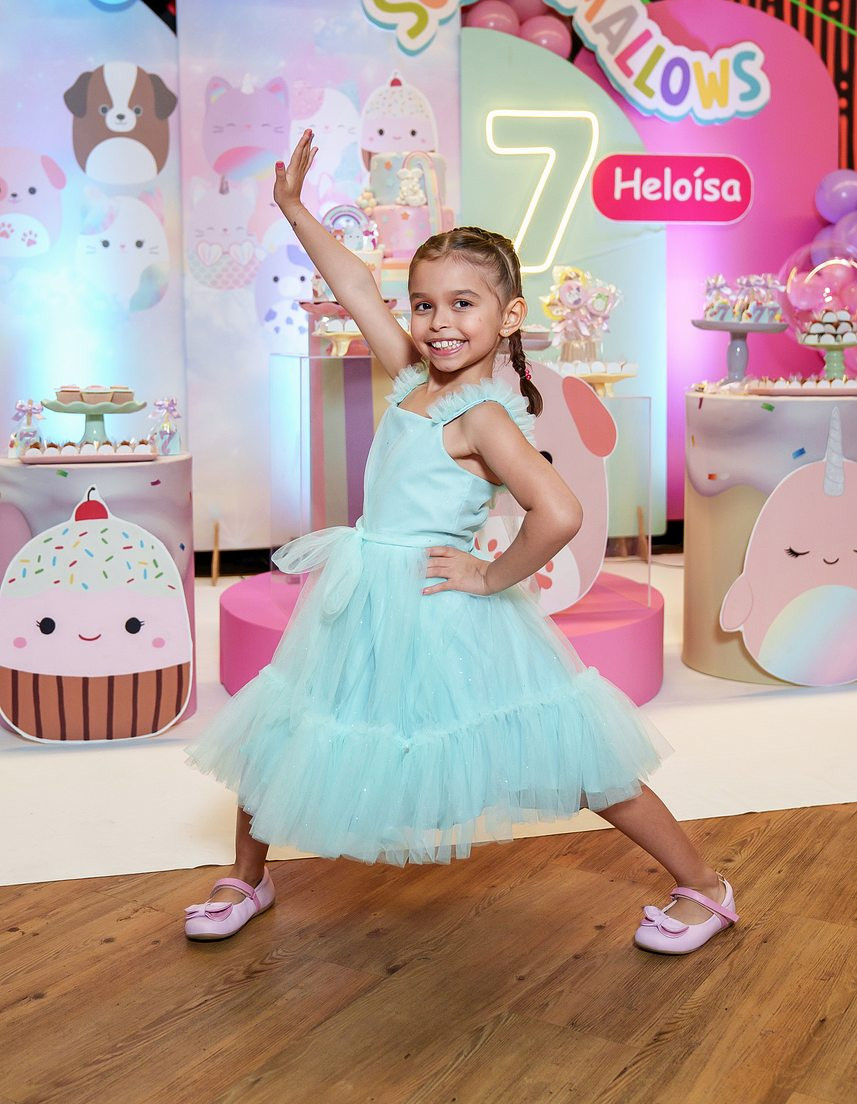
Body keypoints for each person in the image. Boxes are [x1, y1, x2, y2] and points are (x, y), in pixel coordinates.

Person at [183, 130, 739, 954]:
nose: (438, 322)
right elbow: (354, 285)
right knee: (286, 726)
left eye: (462, 304)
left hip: (436, 605)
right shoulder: (413, 378)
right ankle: (247, 875)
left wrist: (488, 576)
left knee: (568, 755)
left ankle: (704, 884)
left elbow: (558, 512)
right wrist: (293, 210)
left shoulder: (482, 417)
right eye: (424, 304)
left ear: (509, 316)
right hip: (362, 594)